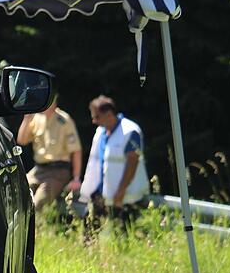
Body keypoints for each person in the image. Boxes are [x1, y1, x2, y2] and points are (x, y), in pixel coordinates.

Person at [78, 95, 149, 230]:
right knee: (89, 228)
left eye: (97, 117)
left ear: (109, 114)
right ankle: (90, 250)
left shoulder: (130, 131)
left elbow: (132, 163)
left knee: (123, 234)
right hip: (101, 191)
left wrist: (120, 191)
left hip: (125, 196)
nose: (93, 121)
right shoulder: (100, 132)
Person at [17, 97, 83, 210]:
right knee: (18, 192)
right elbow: (21, 141)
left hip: (58, 171)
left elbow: (76, 150)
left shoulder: (64, 120)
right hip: (39, 170)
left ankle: (37, 226)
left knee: (38, 203)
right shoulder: (36, 118)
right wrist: (26, 119)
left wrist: (76, 178)